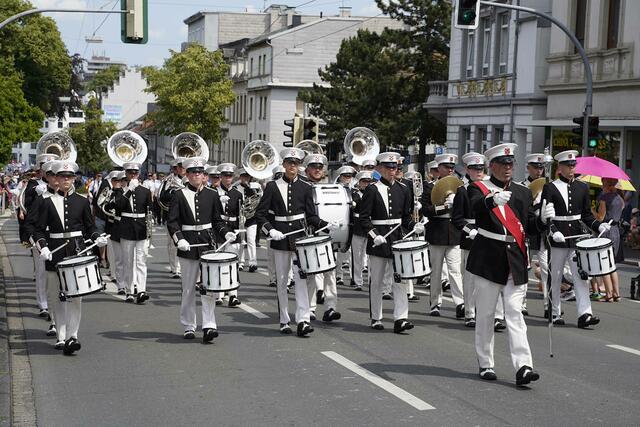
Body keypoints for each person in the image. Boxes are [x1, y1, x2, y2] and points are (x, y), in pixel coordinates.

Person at [466, 143, 545, 385]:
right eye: (503, 164)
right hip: (488, 257)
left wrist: (543, 220)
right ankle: (485, 363)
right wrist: (491, 200)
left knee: (514, 314)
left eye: (511, 164)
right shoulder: (477, 188)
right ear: (492, 166)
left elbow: (529, 227)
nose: (508, 168)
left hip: (515, 259)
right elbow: (475, 208)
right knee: (487, 314)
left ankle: (523, 366)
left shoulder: (522, 193)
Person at [254, 148, 334, 336]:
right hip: (280, 238)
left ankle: (303, 319)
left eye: (296, 163)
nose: (293, 166)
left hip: (300, 239)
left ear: (299, 166)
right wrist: (270, 230)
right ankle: (283, 319)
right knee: (282, 281)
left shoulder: (306, 187)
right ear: (283, 164)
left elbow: (311, 216)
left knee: (302, 279)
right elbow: (260, 214)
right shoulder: (273, 187)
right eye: (290, 163)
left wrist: (328, 225)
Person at [33, 161, 108, 354]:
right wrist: (42, 247)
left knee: (76, 297)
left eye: (70, 176)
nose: (66, 180)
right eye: (62, 176)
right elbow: (38, 229)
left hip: (77, 251)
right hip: (55, 251)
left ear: (74, 178)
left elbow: (89, 227)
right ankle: (60, 335)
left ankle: (73, 335)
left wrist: (97, 237)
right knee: (57, 296)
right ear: (56, 179)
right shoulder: (46, 201)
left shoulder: (82, 201)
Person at [168, 157, 234, 342]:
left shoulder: (212, 195)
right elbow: (172, 222)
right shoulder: (179, 195)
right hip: (187, 245)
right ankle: (189, 325)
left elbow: (217, 220)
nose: (197, 175)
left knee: (209, 288)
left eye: (200, 172)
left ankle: (209, 325)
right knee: (188, 288)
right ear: (187, 175)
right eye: (193, 172)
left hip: (207, 245)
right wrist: (179, 239)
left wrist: (226, 232)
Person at [541, 150, 609, 328]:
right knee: (555, 277)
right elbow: (546, 216)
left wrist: (598, 225)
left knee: (581, 276)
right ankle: (554, 312)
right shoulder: (550, 187)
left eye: (573, 165)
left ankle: (585, 314)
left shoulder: (582, 187)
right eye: (568, 166)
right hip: (558, 237)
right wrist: (553, 230)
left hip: (577, 237)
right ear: (560, 167)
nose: (572, 169)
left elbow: (586, 215)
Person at [358, 152, 422, 333]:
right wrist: (373, 234)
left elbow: (405, 218)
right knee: (376, 281)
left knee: (399, 280)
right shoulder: (372, 189)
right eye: (387, 167)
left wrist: (415, 225)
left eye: (394, 167)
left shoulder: (403, 189)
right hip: (379, 240)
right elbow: (364, 219)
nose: (392, 170)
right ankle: (376, 317)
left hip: (397, 240)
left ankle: (401, 318)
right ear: (379, 168)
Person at [421, 153, 465, 318]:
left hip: (454, 232)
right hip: (437, 232)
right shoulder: (430, 186)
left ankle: (460, 303)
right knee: (437, 271)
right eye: (447, 167)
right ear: (438, 168)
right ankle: (434, 303)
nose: (450, 170)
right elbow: (425, 209)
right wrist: (444, 207)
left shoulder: (459, 187)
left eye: (452, 167)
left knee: (455, 271)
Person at [303, 153, 342, 322]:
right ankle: (310, 308)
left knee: (330, 273)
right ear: (306, 170)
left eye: (320, 168)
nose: (317, 170)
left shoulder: (330, 188)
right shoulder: (302, 187)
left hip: (327, 235)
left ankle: (331, 308)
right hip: (310, 233)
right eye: (314, 167)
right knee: (311, 274)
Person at [452, 152, 485, 327]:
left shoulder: (489, 189)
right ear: (467, 170)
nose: (478, 172)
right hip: (471, 236)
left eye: (481, 169)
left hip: (489, 235)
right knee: (470, 277)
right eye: (474, 169)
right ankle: (470, 312)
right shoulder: (462, 191)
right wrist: (469, 230)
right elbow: (456, 218)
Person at [114, 161, 153, 304]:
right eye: (130, 173)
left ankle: (141, 290)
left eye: (135, 173)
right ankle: (130, 291)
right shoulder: (120, 191)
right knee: (128, 261)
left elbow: (150, 210)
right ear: (126, 174)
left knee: (141, 261)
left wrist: (150, 228)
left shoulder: (145, 191)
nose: (133, 175)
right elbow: (117, 206)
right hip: (127, 228)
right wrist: (128, 190)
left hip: (141, 228)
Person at [519, 153, 550, 316]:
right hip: (528, 232)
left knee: (546, 269)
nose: (539, 171)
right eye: (535, 168)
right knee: (525, 268)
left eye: (541, 168)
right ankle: (522, 303)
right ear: (528, 168)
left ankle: (548, 305)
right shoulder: (522, 187)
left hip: (543, 233)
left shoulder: (548, 186)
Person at [214, 163, 243, 307]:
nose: (227, 178)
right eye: (225, 176)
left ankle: (233, 295)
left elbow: (241, 214)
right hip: (219, 229)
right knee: (219, 262)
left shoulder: (237, 194)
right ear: (220, 177)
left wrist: (239, 228)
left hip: (233, 229)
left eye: (230, 176)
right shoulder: (214, 192)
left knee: (232, 263)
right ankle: (218, 294)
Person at [594, 178, 624, 301]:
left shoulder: (604, 198)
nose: (601, 186)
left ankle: (609, 294)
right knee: (612, 264)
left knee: (604, 264)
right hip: (616, 231)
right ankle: (616, 293)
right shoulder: (620, 199)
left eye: (603, 183)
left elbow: (600, 218)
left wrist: (592, 211)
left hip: (605, 230)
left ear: (607, 185)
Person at [159, 158, 186, 279]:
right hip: (173, 215)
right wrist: (174, 194)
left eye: (184, 167)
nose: (182, 170)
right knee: (173, 243)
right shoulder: (170, 180)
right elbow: (162, 196)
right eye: (180, 167)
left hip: (186, 215)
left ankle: (183, 266)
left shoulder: (191, 180)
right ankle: (176, 268)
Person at [350, 170, 374, 290]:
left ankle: (371, 280)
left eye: (368, 182)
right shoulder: (354, 194)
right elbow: (355, 206)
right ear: (359, 182)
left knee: (370, 256)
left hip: (370, 226)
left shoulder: (373, 193)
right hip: (358, 227)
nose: (366, 184)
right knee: (357, 256)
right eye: (364, 182)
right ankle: (357, 281)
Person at [235, 168, 259, 272]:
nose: (245, 178)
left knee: (251, 240)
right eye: (243, 176)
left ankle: (253, 262)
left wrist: (254, 191)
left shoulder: (256, 186)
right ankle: (240, 262)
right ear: (240, 177)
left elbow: (260, 199)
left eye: (247, 176)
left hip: (252, 218)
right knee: (241, 241)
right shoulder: (236, 188)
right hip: (240, 218)